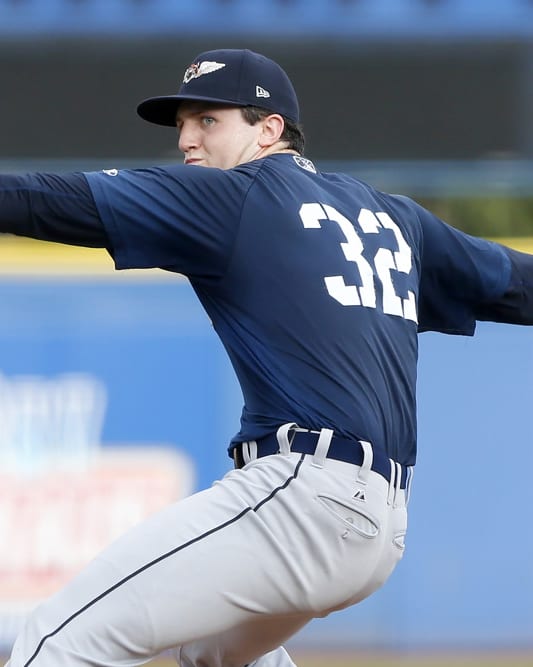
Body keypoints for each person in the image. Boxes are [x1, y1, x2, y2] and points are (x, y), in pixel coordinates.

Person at [2, 48, 533, 667]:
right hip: (378, 526)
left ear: (269, 128)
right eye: (181, 125)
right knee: (213, 655)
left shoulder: (234, 199)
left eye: (208, 121)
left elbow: (45, 198)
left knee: (53, 641)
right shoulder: (393, 218)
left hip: (300, 497)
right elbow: (516, 283)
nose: (187, 141)